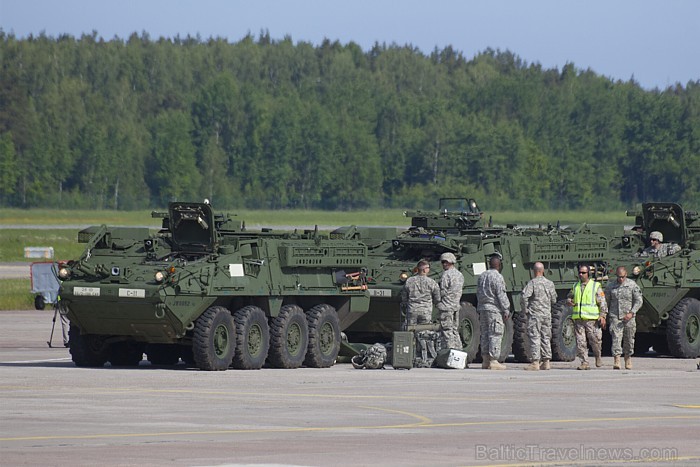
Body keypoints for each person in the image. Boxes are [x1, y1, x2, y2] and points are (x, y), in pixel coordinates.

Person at [567, 264, 608, 370]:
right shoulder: (575, 286)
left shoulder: (595, 286)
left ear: (588, 274)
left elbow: (602, 302)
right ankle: (584, 362)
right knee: (581, 342)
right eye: (580, 272)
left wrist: (602, 315)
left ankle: (597, 356)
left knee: (595, 341)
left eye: (583, 273)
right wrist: (569, 301)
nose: (581, 274)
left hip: (592, 320)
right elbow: (570, 296)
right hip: (579, 319)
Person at [400, 260, 441, 366]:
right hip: (425, 311)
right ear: (424, 270)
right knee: (425, 334)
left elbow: (404, 296)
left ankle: (410, 356)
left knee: (410, 334)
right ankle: (424, 357)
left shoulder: (409, 281)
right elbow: (437, 298)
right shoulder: (432, 282)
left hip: (412, 310)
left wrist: (406, 304)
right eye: (428, 268)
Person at [520, 262, 557, 371]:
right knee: (546, 337)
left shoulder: (532, 283)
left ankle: (535, 362)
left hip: (535, 315)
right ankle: (546, 362)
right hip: (546, 314)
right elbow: (554, 299)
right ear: (543, 270)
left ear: (534, 271)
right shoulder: (550, 283)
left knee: (534, 337)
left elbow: (524, 296)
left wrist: (525, 309)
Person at [605, 266, 643, 370]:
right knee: (616, 339)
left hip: (629, 317)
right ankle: (617, 360)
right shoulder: (611, 286)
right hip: (615, 316)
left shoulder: (632, 285)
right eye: (618, 277)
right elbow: (606, 301)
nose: (620, 279)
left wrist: (632, 313)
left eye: (622, 277)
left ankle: (628, 358)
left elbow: (639, 301)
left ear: (626, 275)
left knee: (629, 339)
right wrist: (604, 315)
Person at [477, 255, 511, 370]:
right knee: (495, 333)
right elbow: (501, 294)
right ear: (499, 265)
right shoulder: (498, 277)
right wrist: (506, 308)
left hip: (483, 308)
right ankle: (494, 360)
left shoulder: (482, 276)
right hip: (494, 309)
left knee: (485, 334)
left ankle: (485, 360)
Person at [436, 252, 464, 353]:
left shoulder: (446, 275)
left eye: (445, 262)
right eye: (442, 262)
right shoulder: (460, 274)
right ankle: (459, 352)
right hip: (456, 306)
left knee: (447, 331)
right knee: (454, 330)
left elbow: (442, 291)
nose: (443, 264)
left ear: (450, 262)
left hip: (446, 307)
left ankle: (450, 353)